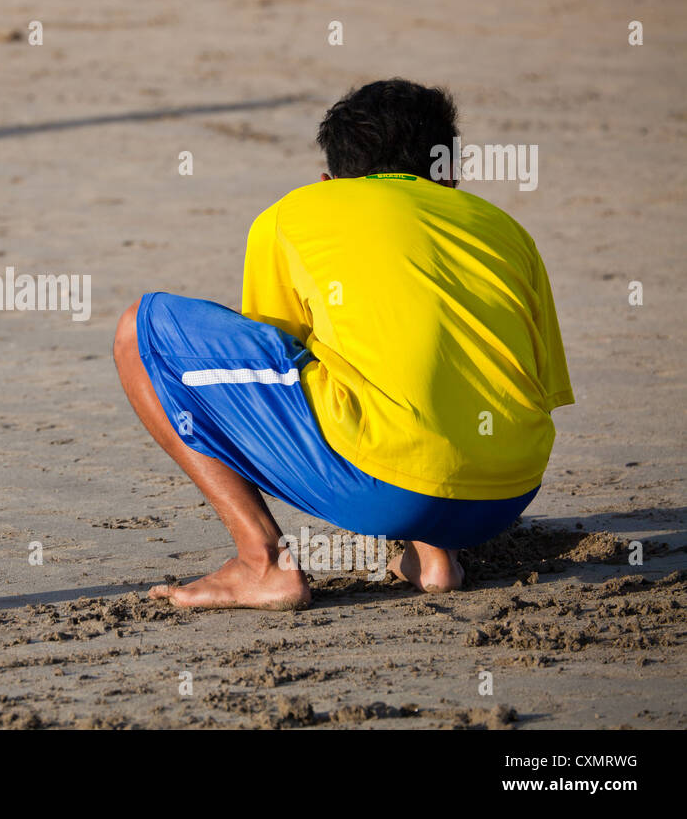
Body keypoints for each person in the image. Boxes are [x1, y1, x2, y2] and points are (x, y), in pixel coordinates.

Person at [113, 78, 573, 609]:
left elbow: (279, 357)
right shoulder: (507, 230)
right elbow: (538, 388)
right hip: (506, 495)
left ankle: (262, 564)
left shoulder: (295, 213)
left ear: (330, 179)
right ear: (447, 176)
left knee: (137, 331)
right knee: (429, 360)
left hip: (387, 494)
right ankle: (437, 557)